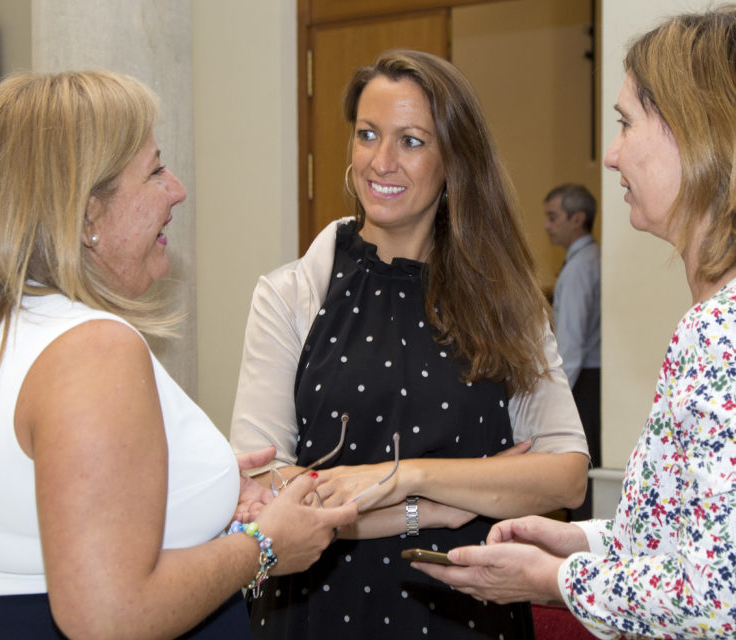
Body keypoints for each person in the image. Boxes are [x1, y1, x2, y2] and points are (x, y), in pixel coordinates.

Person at [415, 6, 736, 639]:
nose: (610, 155)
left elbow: (721, 594)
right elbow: (717, 530)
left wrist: (551, 580)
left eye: (627, 124)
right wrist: (578, 539)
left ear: (703, 133)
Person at [0, 70, 357, 639]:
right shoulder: (91, 349)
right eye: (154, 170)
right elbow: (109, 613)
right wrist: (266, 547)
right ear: (87, 212)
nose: (177, 190)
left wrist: (196, 480)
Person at [230, 49, 590, 639]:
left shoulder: (507, 302)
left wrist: (412, 477)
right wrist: (445, 506)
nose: (381, 161)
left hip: (467, 614)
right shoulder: (291, 293)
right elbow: (265, 494)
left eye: (412, 141)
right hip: (317, 611)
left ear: (455, 160)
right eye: (367, 135)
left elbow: (565, 476)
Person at [542, 183, 602, 520]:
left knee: (579, 470)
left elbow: (573, 343)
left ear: (577, 219)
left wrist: (557, 395)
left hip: (582, 382)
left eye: (553, 217)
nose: (547, 226)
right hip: (589, 379)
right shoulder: (590, 260)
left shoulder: (580, 268)